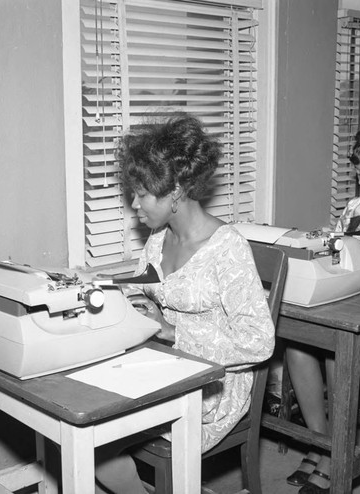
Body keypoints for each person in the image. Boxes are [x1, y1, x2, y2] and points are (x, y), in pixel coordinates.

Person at [93, 114, 276, 493]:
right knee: (89, 428)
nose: (134, 203)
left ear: (175, 191)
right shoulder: (158, 241)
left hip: (214, 385)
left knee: (97, 435)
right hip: (165, 367)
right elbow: (143, 290)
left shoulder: (227, 249)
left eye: (142, 193)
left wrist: (173, 331)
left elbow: (258, 341)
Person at [285, 121, 360, 494]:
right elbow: (338, 254)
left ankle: (334, 455)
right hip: (348, 305)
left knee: (333, 349)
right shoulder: (356, 208)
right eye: (358, 171)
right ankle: (321, 441)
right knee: (295, 348)